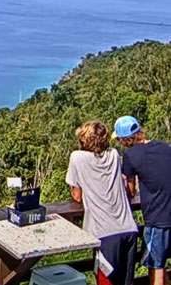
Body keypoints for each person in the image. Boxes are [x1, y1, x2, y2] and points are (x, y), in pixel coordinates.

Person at [66, 121, 138, 285]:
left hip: (105, 233)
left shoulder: (77, 158)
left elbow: (77, 195)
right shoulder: (113, 154)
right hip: (128, 228)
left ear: (84, 140)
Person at [116, 115, 171, 285]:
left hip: (157, 217)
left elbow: (130, 190)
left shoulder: (130, 155)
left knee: (156, 266)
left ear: (123, 139)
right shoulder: (164, 147)